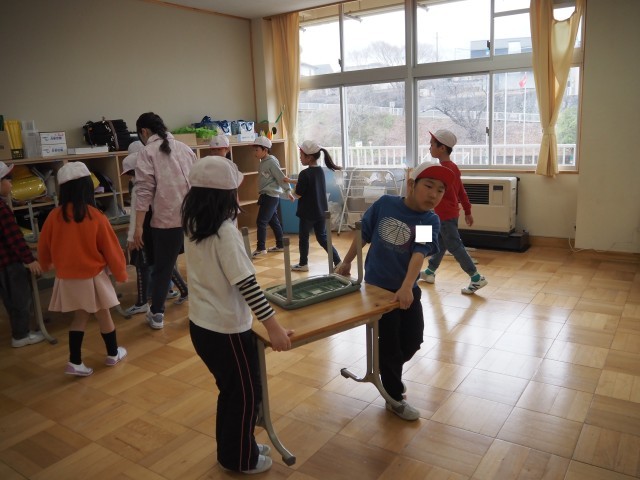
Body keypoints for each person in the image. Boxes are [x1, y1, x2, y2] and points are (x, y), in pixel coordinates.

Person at [182, 155, 293, 474]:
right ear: (226, 195)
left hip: (203, 326)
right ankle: (239, 458)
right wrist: (274, 328)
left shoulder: (194, 224)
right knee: (244, 394)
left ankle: (239, 445)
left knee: (233, 392)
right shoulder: (224, 232)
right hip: (225, 331)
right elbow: (247, 285)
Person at [335, 161, 454, 421]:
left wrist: (406, 286)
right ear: (411, 185)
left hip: (406, 290)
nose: (434, 195)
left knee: (413, 340)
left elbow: (419, 253)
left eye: (440, 190)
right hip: (377, 289)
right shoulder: (385, 205)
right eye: (429, 186)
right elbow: (363, 235)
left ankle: (383, 367)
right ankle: (393, 397)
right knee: (390, 344)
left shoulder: (427, 219)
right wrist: (346, 262)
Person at [37, 162, 128, 376]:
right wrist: (121, 272)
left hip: (67, 278)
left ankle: (77, 361)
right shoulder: (95, 215)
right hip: (92, 277)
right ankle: (111, 354)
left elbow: (43, 246)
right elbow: (111, 248)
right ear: (87, 187)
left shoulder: (54, 216)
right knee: (103, 315)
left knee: (81, 317)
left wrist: (45, 264)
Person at [133, 112, 195, 329]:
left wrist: (138, 227)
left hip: (167, 221)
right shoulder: (185, 148)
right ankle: (204, 308)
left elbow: (144, 192)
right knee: (200, 264)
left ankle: (157, 314)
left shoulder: (147, 152)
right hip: (192, 218)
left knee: (163, 268)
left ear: (143, 131)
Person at [122, 142, 188, 316]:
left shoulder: (140, 188)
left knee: (143, 265)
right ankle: (182, 290)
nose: (130, 177)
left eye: (131, 173)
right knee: (164, 264)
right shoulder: (158, 182)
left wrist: (132, 236)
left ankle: (143, 303)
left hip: (144, 232)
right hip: (158, 229)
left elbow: (136, 214)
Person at [419, 129, 488, 294]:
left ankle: (476, 277)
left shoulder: (442, 171)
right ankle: (429, 272)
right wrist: (468, 211)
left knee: (454, 246)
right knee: (441, 243)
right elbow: (461, 191)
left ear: (442, 148)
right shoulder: (453, 167)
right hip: (449, 214)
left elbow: (435, 194)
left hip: (443, 215)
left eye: (432, 144)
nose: (429, 147)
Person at [0, 162, 45, 348]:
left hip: (3, 264)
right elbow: (14, 238)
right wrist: (29, 259)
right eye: (8, 179)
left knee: (11, 299)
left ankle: (20, 332)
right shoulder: (2, 209)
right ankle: (21, 335)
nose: (11, 183)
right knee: (19, 297)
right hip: (10, 263)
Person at [283, 140, 342, 272]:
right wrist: (290, 180)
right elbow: (306, 182)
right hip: (320, 212)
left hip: (307, 213)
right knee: (322, 238)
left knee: (304, 238)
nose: (300, 157)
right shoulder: (320, 171)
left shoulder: (305, 174)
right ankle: (338, 261)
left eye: (301, 155)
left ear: (309, 157)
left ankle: (303, 264)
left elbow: (298, 194)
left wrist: (289, 192)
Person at [251, 135, 294, 257]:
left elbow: (281, 177)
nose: (255, 152)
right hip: (266, 195)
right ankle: (280, 245)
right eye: (254, 150)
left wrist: (288, 191)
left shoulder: (271, 162)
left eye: (257, 150)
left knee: (261, 221)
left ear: (265, 150)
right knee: (273, 221)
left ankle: (261, 248)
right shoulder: (263, 162)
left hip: (271, 196)